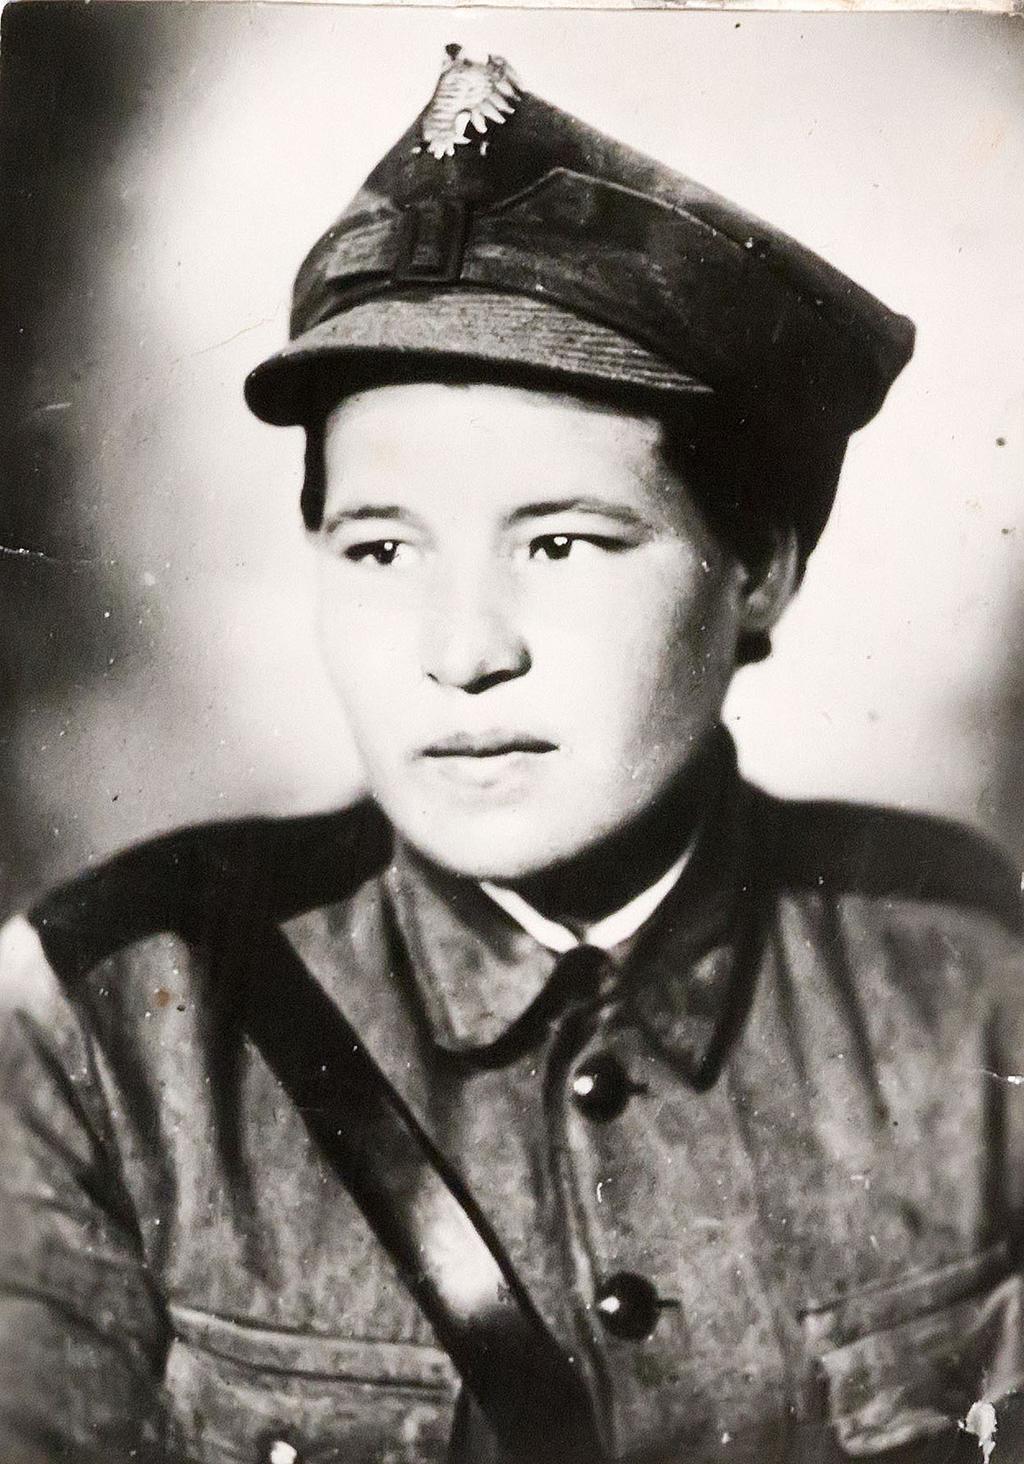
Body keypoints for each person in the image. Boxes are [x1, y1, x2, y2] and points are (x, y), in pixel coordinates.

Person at [1, 42, 1022, 1464]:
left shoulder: (972, 981)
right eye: (381, 549)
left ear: (759, 573)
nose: (462, 649)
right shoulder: (108, 1033)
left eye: (561, 544)